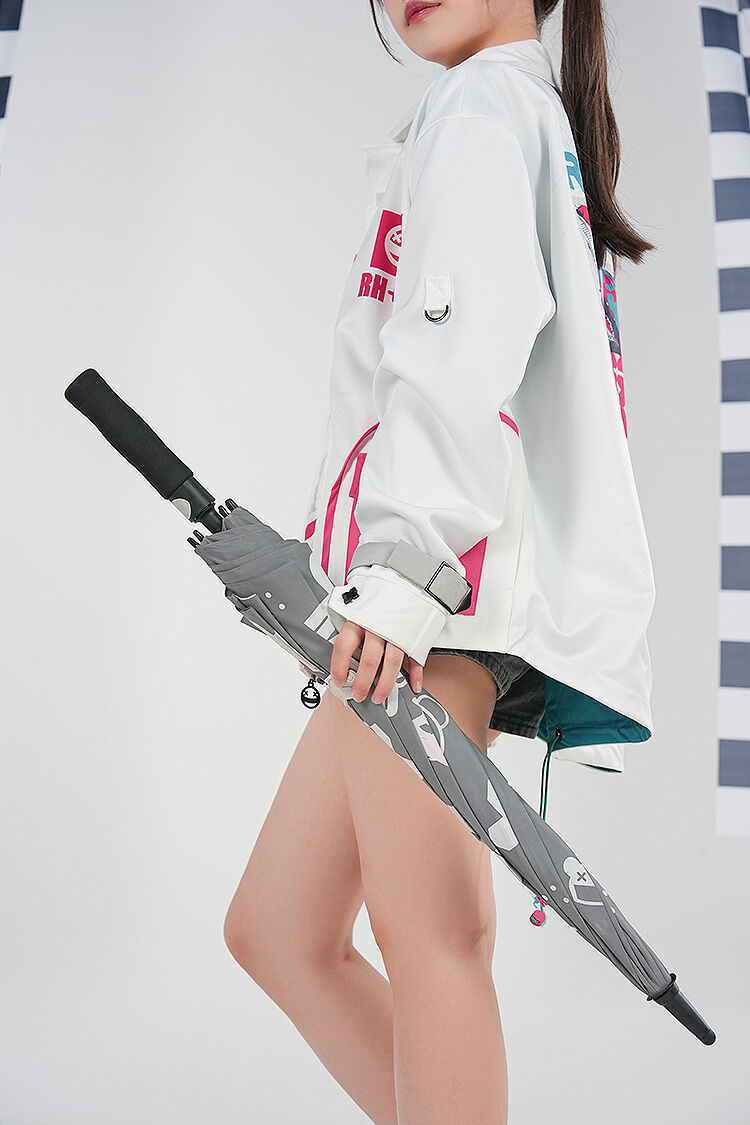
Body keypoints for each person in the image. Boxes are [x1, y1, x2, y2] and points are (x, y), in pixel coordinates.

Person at [223, 2, 657, 1122]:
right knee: (279, 926)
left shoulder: (481, 108)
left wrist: (403, 570)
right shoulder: (512, 108)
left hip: (430, 601)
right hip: (417, 598)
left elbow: (461, 354)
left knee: (433, 941)